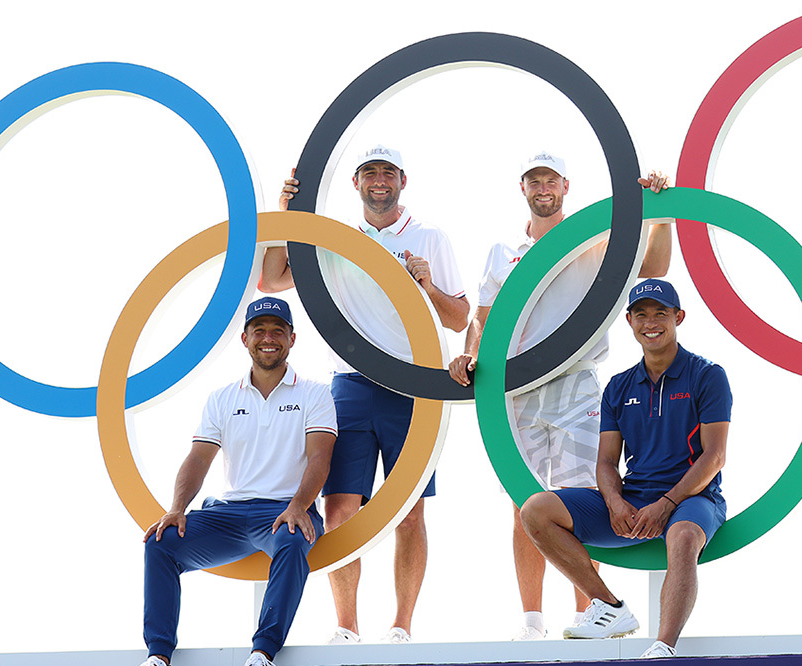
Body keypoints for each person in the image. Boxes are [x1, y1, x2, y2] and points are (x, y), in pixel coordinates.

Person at [446, 151, 672, 640]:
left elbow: (653, 267)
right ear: (522, 188)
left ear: (566, 186)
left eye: (551, 180)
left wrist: (661, 212)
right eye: (534, 180)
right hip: (516, 389)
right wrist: (469, 354)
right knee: (523, 502)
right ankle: (532, 621)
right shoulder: (502, 251)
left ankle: (591, 613)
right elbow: (484, 317)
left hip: (576, 384)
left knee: (580, 503)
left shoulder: (593, 237)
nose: (543, 188)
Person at [260, 145, 469, 644]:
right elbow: (272, 278)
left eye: (388, 172)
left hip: (413, 384)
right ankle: (347, 627)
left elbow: (460, 318)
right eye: (369, 172)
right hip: (350, 384)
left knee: (409, 511)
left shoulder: (429, 236)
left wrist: (427, 286)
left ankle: (401, 627)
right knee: (339, 510)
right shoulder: (335, 241)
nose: (379, 181)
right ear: (355, 183)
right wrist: (285, 216)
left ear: (403, 180)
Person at [520, 278, 731, 659]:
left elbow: (714, 456)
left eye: (661, 314)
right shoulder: (618, 386)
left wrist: (666, 504)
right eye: (641, 314)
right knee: (536, 510)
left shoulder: (707, 375)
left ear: (679, 317)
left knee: (684, 536)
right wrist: (615, 502)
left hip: (693, 499)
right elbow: (605, 461)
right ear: (629, 321)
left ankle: (663, 647)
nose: (651, 323)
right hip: (635, 500)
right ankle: (608, 605)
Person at [139, 296, 337, 666]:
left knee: (292, 539)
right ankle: (158, 654)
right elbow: (199, 458)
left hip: (284, 511)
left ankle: (263, 651)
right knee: (161, 543)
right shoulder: (222, 398)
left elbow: (320, 458)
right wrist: (176, 509)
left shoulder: (315, 393)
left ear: (292, 339)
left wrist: (299, 506)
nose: (268, 338)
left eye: (278, 331)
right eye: (259, 331)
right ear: (245, 339)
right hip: (228, 515)